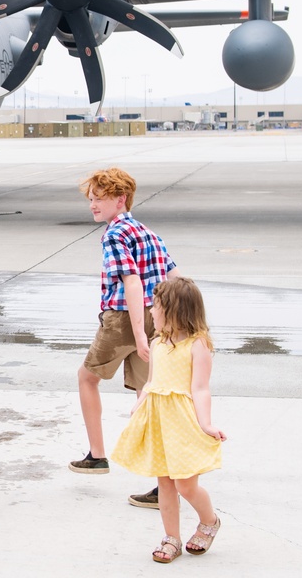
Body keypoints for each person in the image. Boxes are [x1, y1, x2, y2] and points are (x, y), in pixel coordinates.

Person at [70, 167, 180, 513]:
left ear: (121, 199)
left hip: (122, 319)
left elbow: (131, 283)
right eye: (90, 199)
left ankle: (97, 455)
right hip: (159, 317)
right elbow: (176, 277)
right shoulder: (147, 232)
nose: (93, 205)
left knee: (87, 379)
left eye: (99, 198)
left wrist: (136, 335)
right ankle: (166, 483)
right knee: (151, 396)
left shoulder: (115, 233)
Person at [111, 277, 225, 563]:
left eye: (156, 306)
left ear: (174, 310)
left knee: (186, 485)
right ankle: (171, 537)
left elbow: (200, 388)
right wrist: (140, 402)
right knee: (165, 483)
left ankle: (209, 521)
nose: (150, 311)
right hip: (159, 419)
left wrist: (206, 424)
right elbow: (151, 382)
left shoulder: (197, 345)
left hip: (183, 423)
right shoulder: (158, 342)